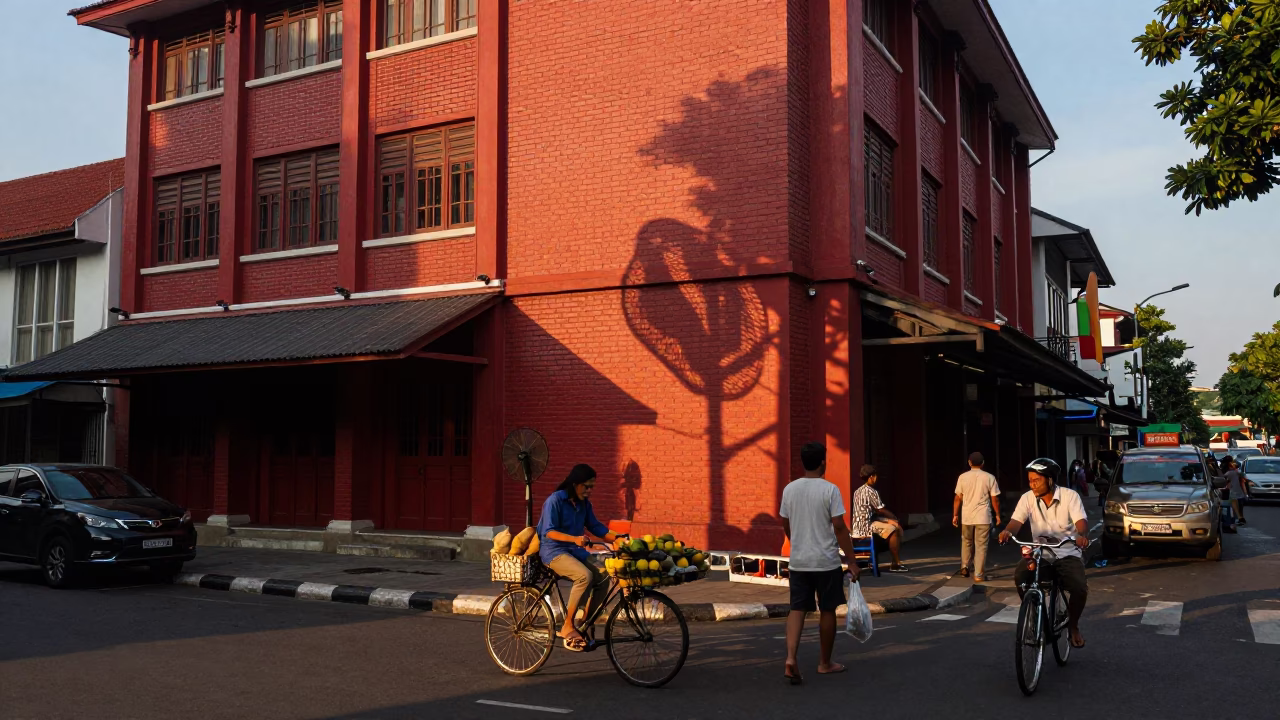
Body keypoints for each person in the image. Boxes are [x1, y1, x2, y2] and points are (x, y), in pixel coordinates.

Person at [780, 442, 858, 684]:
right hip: (825, 561)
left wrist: (796, 542)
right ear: (823, 462)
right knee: (827, 609)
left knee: (797, 609)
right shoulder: (830, 490)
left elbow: (785, 523)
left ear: (803, 463)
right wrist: (852, 561)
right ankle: (824, 663)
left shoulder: (789, 489)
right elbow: (839, 526)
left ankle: (791, 658)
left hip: (799, 561)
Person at [998, 458, 1089, 649]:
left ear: (1050, 480)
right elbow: (1016, 522)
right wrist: (1008, 531)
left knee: (1079, 588)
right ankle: (1033, 615)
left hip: (1067, 552)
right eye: (1030, 480)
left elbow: (1081, 522)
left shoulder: (1070, 496)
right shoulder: (1027, 498)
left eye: (1036, 480)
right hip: (1040, 553)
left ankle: (1073, 627)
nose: (1032, 484)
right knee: (1021, 576)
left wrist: (1081, 535)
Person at [535, 464, 622, 651]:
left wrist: (618, 538)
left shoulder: (584, 504)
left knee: (604, 574)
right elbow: (549, 532)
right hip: (554, 551)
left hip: (574, 551)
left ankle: (584, 622)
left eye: (592, 487)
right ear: (575, 484)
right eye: (587, 486)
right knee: (584, 576)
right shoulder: (555, 500)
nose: (590, 490)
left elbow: (596, 526)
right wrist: (574, 538)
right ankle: (567, 625)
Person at [952, 451, 1001, 582]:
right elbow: (994, 499)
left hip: (967, 516)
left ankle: (964, 566)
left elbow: (958, 498)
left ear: (969, 463)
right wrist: (997, 515)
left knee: (966, 541)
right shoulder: (990, 477)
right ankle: (978, 574)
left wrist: (955, 515)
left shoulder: (962, 477)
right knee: (981, 545)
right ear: (983, 463)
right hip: (983, 516)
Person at [851, 464, 909, 573]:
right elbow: (880, 510)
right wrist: (894, 519)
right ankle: (896, 564)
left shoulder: (857, 491)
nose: (876, 478)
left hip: (857, 527)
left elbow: (871, 514)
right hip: (866, 527)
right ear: (871, 477)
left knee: (891, 525)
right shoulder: (872, 492)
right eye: (875, 476)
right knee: (894, 530)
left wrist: (889, 521)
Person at [1223, 455, 1248, 525]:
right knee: (1239, 504)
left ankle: (1239, 518)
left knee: (1234, 503)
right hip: (1239, 490)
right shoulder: (1236, 471)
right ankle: (1240, 517)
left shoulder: (1229, 472)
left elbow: (1224, 478)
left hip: (1233, 490)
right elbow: (1244, 477)